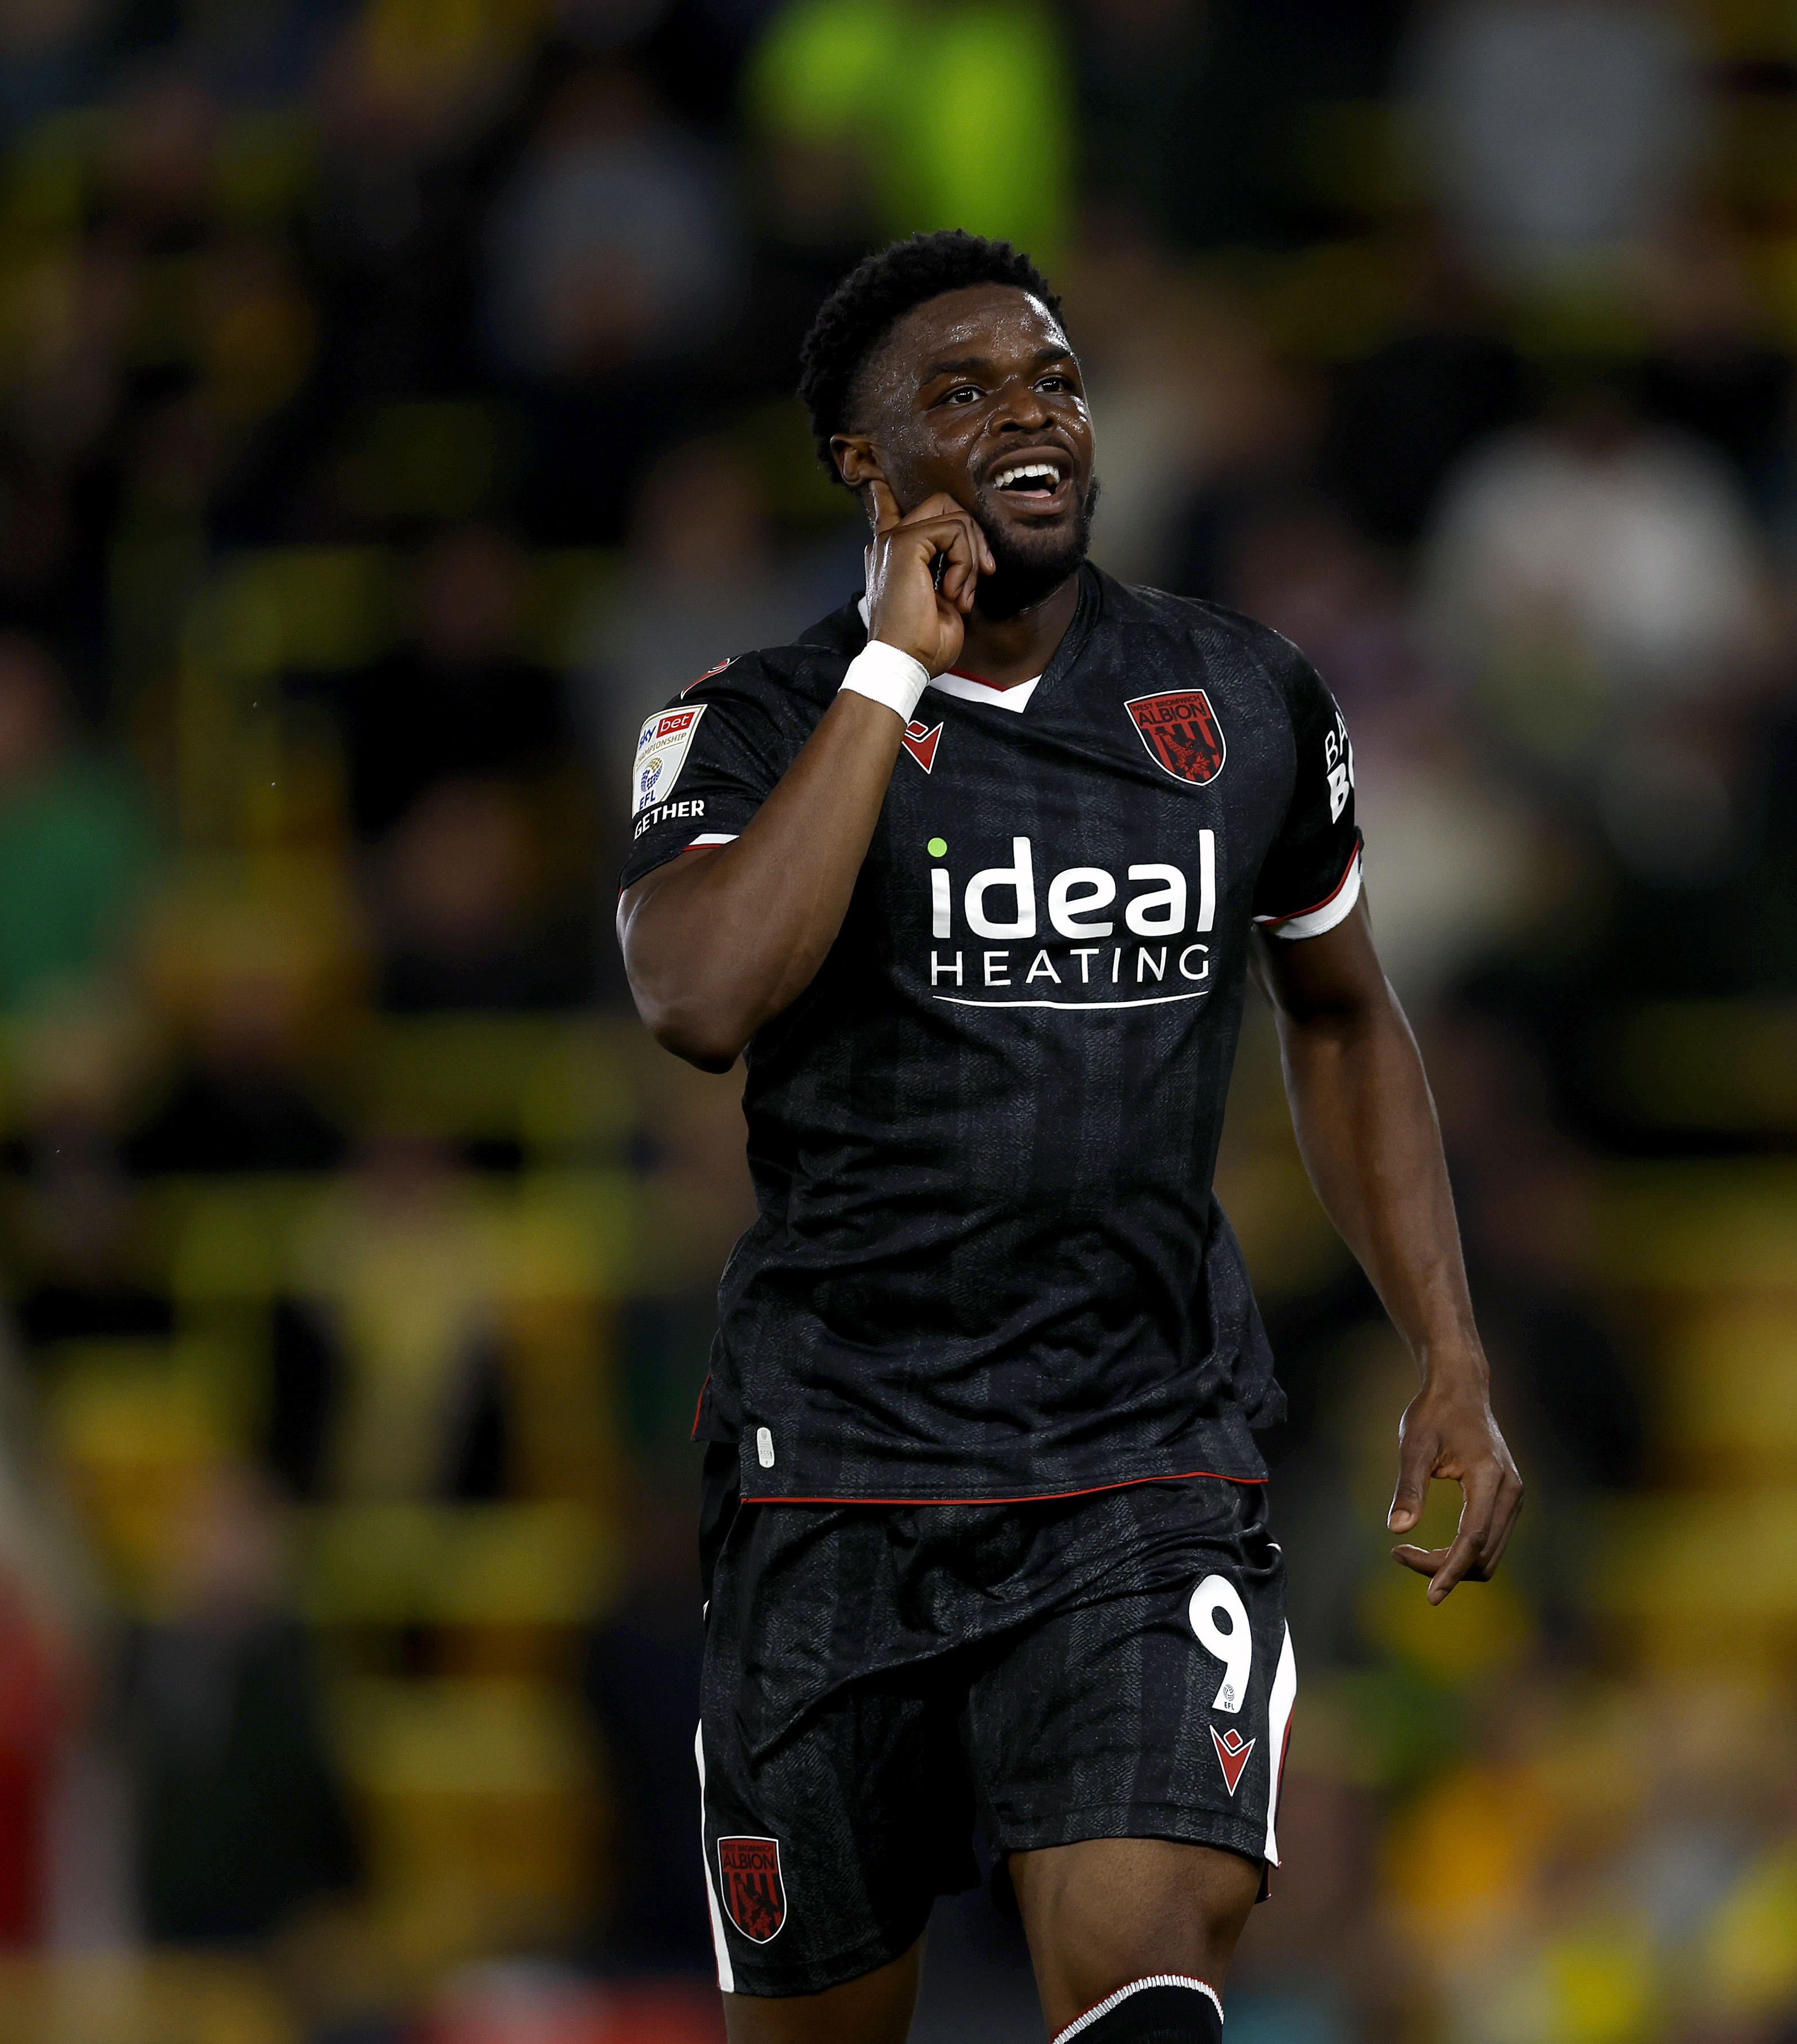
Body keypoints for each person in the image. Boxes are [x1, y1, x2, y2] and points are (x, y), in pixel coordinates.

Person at [615, 231, 1523, 2044]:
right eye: (961, 395)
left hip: (1137, 1466)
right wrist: (889, 675)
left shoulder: (1244, 701)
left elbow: (1341, 1012)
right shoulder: (749, 723)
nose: (1031, 416)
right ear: (864, 472)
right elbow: (700, 995)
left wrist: (1447, 1341)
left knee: (1140, 1977)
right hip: (834, 1477)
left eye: (1052, 382)